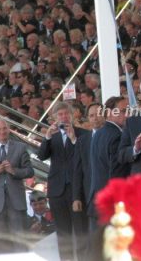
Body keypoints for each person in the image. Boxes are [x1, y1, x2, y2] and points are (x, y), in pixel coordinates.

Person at [37, 102, 88, 260]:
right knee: (63, 232)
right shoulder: (52, 136)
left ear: (72, 116)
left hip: (77, 190)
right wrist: (47, 137)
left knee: (80, 230)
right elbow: (41, 156)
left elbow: (84, 157)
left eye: (66, 114)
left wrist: (74, 140)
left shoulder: (83, 134)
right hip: (57, 190)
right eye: (60, 115)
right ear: (54, 118)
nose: (64, 117)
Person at [0, 118, 34, 254]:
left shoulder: (20, 147)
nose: (2, 132)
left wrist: (13, 171)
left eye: (4, 129)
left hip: (16, 202)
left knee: (20, 242)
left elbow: (30, 171)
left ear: (8, 129)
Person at [88, 96, 129, 230]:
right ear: (110, 113)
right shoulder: (117, 136)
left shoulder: (98, 133)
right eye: (123, 111)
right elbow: (117, 171)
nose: (127, 114)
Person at [72, 103, 105, 227]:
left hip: (111, 195)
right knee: (95, 237)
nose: (95, 118)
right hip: (90, 197)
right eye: (91, 115)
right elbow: (78, 170)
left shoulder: (114, 135)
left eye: (98, 114)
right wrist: (76, 197)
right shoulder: (83, 140)